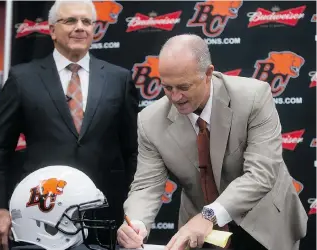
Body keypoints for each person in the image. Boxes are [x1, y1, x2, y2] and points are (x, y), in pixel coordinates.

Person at [117, 34, 308, 250]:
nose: (175, 97)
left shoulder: (253, 97)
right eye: (167, 88)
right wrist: (137, 223)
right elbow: (146, 185)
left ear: (208, 74)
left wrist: (209, 215)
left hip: (263, 221)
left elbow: (261, 174)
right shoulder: (150, 120)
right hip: (198, 232)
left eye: (184, 87)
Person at [0, 1, 138, 249]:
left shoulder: (119, 79)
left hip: (103, 217)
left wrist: (135, 210)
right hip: (41, 215)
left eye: (87, 22)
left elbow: (133, 151)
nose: (80, 28)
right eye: (71, 21)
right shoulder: (23, 78)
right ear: (52, 30)